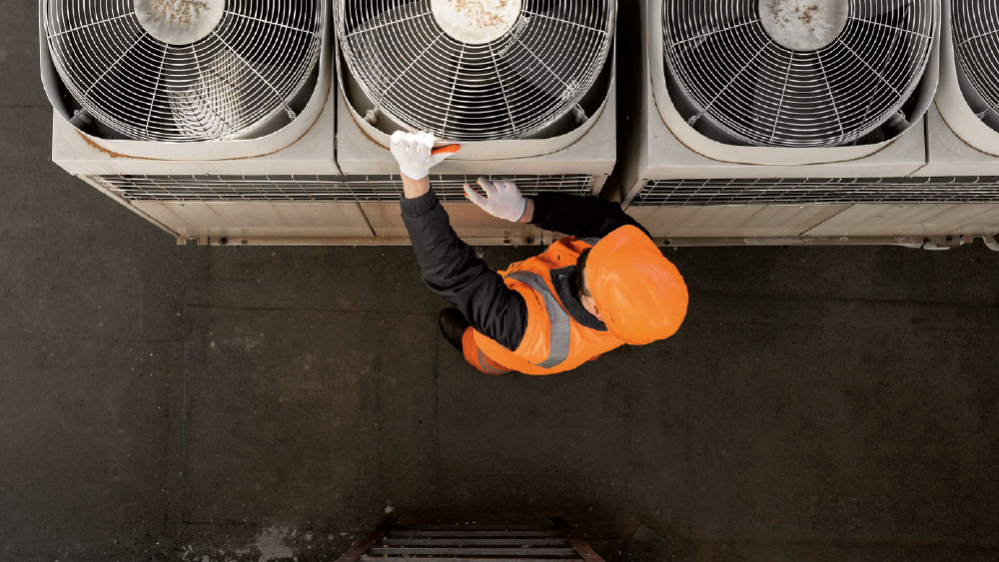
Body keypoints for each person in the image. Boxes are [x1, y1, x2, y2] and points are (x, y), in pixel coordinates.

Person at [391, 131, 689, 376]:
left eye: (594, 267)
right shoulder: (635, 255)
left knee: (485, 353)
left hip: (505, 348)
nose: (593, 250)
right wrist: (526, 210)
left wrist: (414, 178)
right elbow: (596, 219)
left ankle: (476, 352)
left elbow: (452, 274)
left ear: (597, 309)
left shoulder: (530, 331)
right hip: (583, 339)